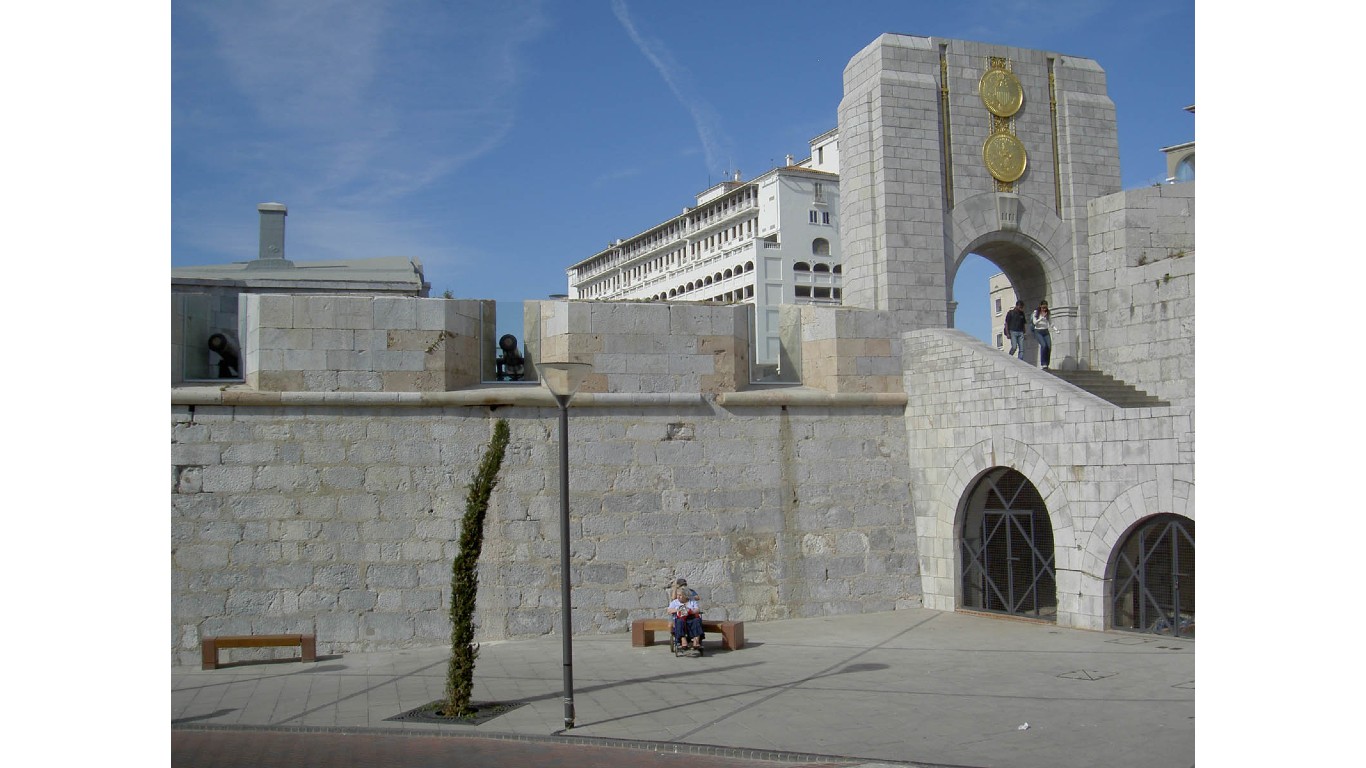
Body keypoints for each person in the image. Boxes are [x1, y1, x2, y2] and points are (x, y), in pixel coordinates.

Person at [668, 578, 704, 656]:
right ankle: (683, 639)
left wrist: (691, 611)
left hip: (691, 617)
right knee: (679, 622)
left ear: (686, 595)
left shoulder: (691, 600)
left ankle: (696, 641)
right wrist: (678, 609)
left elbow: (697, 609)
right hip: (681, 618)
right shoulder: (675, 602)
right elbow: (669, 610)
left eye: (680, 595)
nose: (678, 597)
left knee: (697, 621)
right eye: (678, 595)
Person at [1031, 300, 1055, 369]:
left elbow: (1050, 322)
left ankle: (1047, 363)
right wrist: (1041, 318)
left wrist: (1055, 329)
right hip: (1038, 331)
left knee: (1049, 346)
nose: (1044, 309)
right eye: (1043, 308)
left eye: (1046, 308)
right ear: (1040, 307)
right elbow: (1035, 322)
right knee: (1044, 345)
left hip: (1045, 331)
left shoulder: (1047, 313)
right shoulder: (1036, 313)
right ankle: (1043, 363)